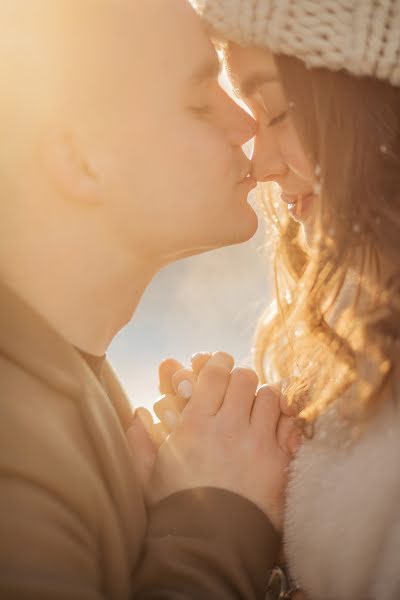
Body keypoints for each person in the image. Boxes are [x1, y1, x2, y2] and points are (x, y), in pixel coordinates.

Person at [0, 0, 298, 597]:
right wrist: (216, 518)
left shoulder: (69, 381)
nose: (246, 126)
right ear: (80, 162)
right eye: (198, 102)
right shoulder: (14, 450)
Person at [157, 0, 400, 597]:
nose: (260, 164)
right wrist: (251, 468)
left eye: (276, 111)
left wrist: (210, 521)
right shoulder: (343, 327)